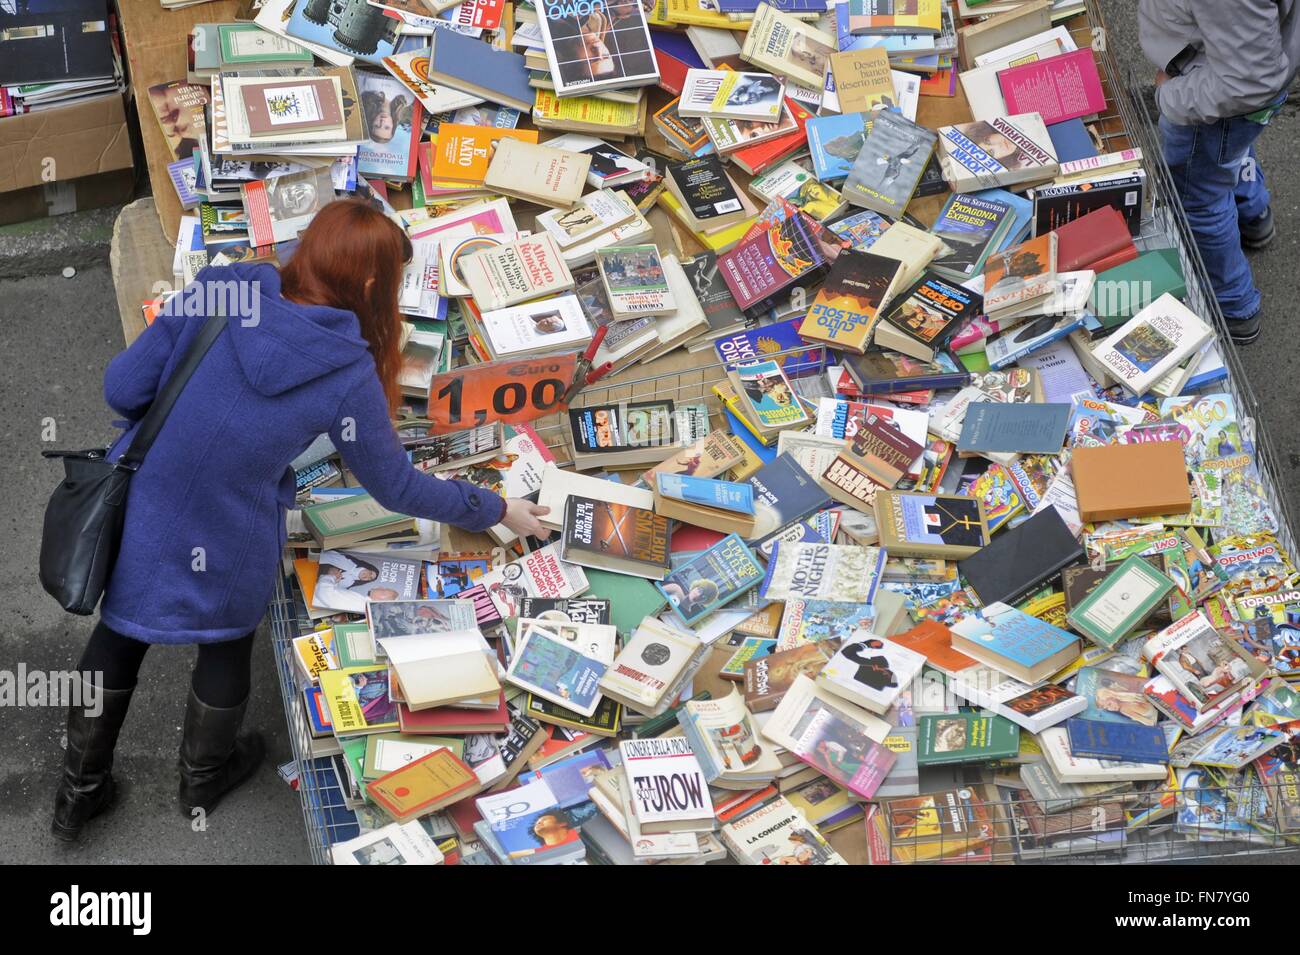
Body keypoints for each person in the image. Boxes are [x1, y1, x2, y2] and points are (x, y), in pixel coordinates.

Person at [52, 199, 550, 842]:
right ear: (373, 285)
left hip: (147, 498)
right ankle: (201, 777)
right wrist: (497, 507)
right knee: (226, 640)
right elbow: (395, 486)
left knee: (117, 636)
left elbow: (122, 388)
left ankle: (77, 795)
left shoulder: (226, 289)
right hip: (231, 529)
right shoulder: (346, 374)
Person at [1138, 0, 1300, 345]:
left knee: (1198, 199)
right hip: (1230, 84)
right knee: (1229, 153)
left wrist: (1170, 96)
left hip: (1210, 97)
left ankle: (1233, 308)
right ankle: (1254, 217)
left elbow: (1250, 82)